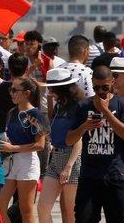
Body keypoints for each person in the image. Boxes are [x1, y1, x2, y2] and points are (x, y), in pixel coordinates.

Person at [67, 65, 124, 223]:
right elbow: (69, 139)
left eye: (104, 87)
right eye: (96, 87)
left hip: (116, 175)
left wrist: (106, 112)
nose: (101, 91)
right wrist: (84, 127)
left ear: (112, 82)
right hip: (89, 175)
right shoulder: (83, 106)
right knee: (84, 218)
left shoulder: (123, 104)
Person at [0, 77, 46, 222]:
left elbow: (40, 145)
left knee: (26, 210)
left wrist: (13, 147)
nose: (11, 93)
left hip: (27, 161)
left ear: (27, 93)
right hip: (10, 161)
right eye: (10, 90)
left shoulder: (36, 114)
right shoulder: (11, 112)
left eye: (14, 90)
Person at [39, 68, 83, 223]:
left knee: (70, 212)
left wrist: (69, 166)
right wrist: (40, 129)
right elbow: (54, 136)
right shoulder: (59, 107)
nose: (50, 91)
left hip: (71, 158)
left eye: (52, 88)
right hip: (55, 156)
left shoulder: (76, 108)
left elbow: (78, 139)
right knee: (42, 207)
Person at [0, 54, 29, 132]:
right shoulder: (30, 90)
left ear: (9, 70)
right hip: (27, 136)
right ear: (27, 70)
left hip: (3, 136)